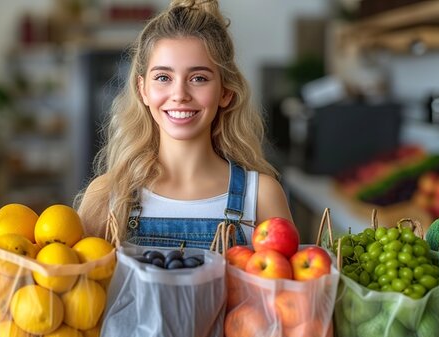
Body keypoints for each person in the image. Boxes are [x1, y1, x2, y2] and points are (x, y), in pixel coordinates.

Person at [76, 0, 293, 249]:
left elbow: (288, 286)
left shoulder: (261, 197)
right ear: (142, 89)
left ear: (225, 92)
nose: (179, 94)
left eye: (199, 78)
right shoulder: (107, 196)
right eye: (163, 77)